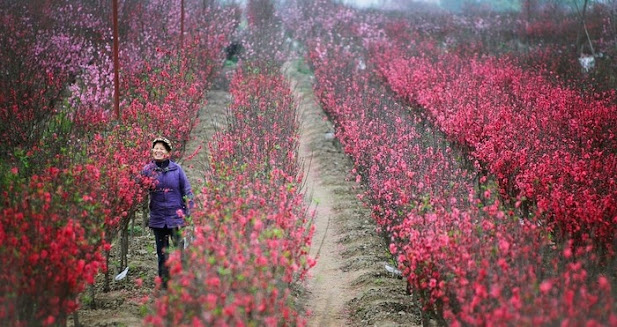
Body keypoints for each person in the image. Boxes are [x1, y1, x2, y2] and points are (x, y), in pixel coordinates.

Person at [142, 137, 193, 289]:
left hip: (176, 217)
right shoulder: (147, 170)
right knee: (162, 253)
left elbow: (187, 191)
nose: (158, 151)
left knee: (179, 250)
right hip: (158, 218)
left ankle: (182, 281)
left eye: (161, 149)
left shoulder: (177, 170)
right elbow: (138, 187)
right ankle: (165, 284)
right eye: (155, 148)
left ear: (168, 153)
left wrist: (189, 211)